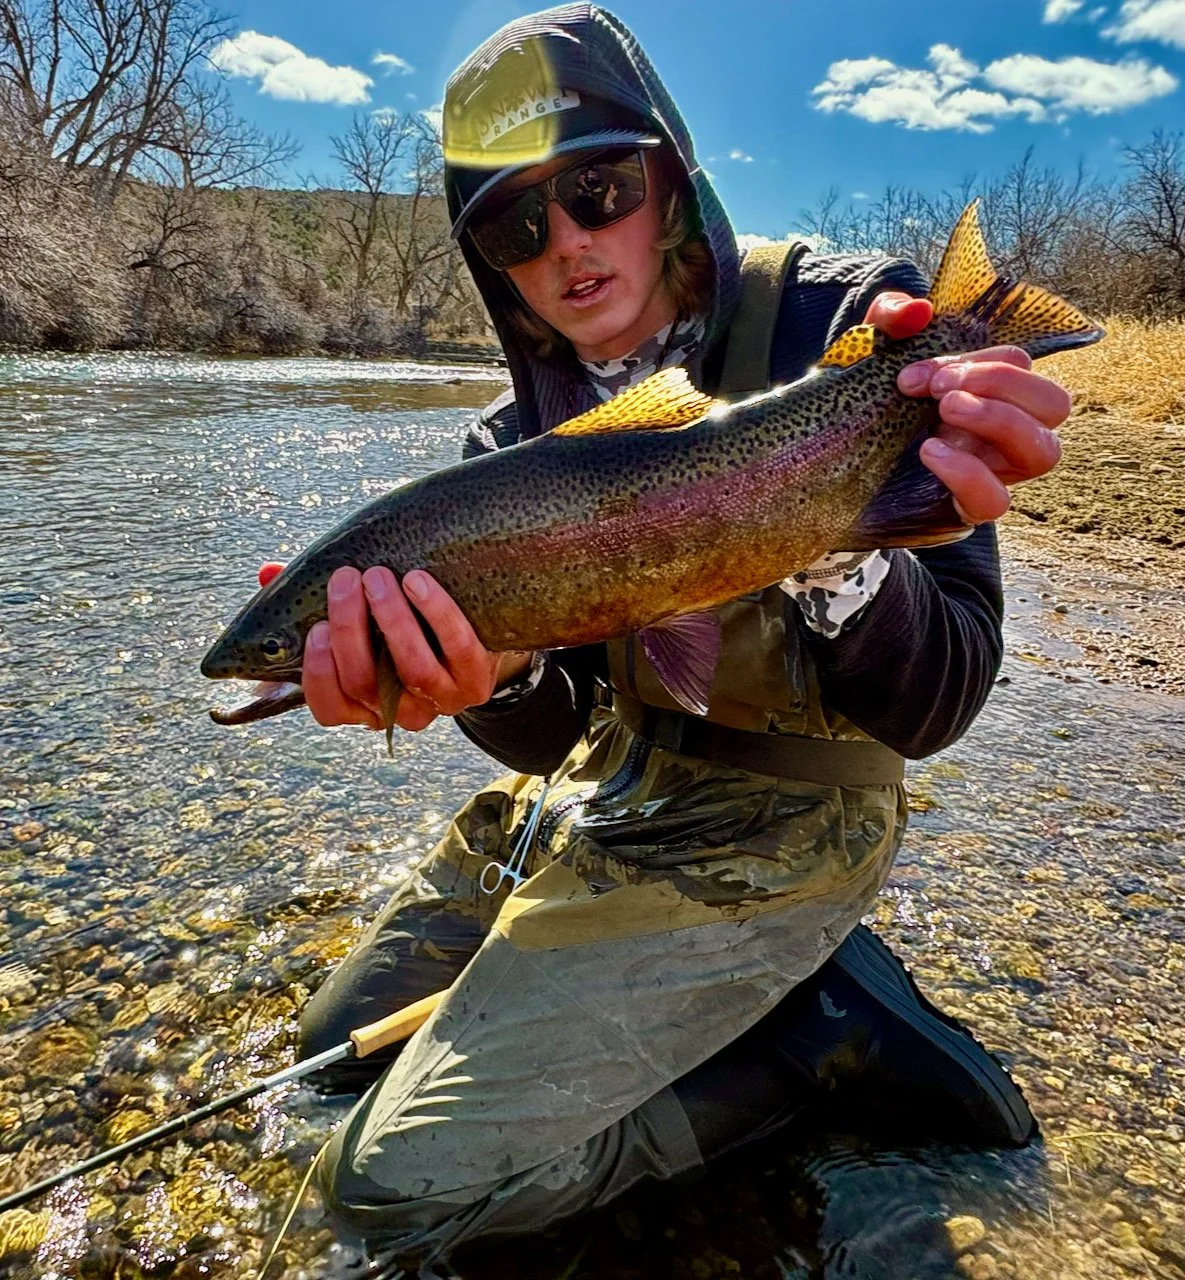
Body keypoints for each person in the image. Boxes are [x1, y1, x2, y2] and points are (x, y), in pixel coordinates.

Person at [269, 5, 1073, 1268]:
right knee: (323, 1053)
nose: (569, 245)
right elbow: (543, 739)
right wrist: (496, 675)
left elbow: (940, 700)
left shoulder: (850, 324)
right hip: (612, 794)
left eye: (598, 188)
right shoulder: (504, 450)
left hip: (788, 827)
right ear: (490, 259)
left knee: (388, 1188)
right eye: (517, 226)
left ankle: (816, 1040)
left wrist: (838, 539)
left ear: (672, 180)